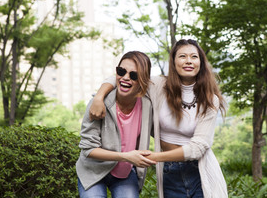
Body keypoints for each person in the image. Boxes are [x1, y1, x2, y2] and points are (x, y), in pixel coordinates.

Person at [90, 39, 228, 197]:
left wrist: (153, 157)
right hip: (169, 171)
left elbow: (198, 147)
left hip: (200, 170)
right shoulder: (159, 86)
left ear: (201, 62)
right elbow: (122, 76)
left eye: (194, 57)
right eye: (182, 56)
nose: (188, 61)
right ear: (174, 61)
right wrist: (99, 97)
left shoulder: (210, 99)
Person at [76, 51, 156, 198]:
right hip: (93, 171)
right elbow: (88, 149)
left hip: (124, 173)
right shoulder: (98, 103)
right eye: (121, 71)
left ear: (143, 81)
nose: (125, 78)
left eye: (134, 75)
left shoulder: (148, 105)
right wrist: (126, 156)